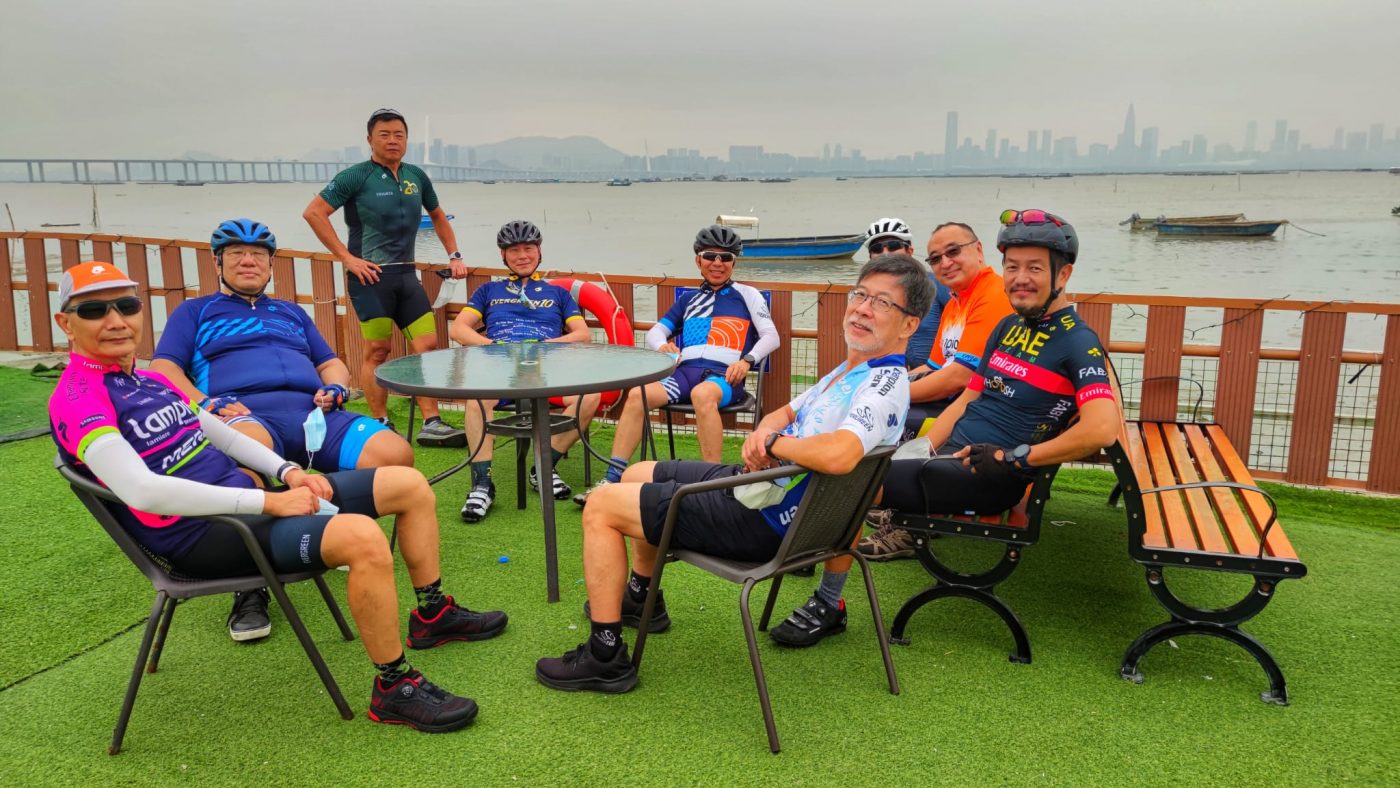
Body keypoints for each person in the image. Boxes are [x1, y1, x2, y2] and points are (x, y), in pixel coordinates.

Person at [49, 262, 507, 733]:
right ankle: (394, 687)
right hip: (200, 536)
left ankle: (432, 613)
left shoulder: (152, 380)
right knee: (363, 538)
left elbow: (224, 436)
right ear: (66, 323)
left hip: (243, 507)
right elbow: (140, 491)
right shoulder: (79, 397)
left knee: (407, 484)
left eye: (126, 305)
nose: (116, 320)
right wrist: (270, 502)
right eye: (94, 310)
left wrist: (288, 473)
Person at [533, 254, 934, 692]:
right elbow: (785, 412)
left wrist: (774, 445)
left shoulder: (881, 388)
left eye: (882, 302)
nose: (862, 309)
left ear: (908, 325)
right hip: (766, 493)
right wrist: (763, 434)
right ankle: (641, 598)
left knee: (601, 505)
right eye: (860, 295)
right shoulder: (853, 370)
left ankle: (605, 655)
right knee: (637, 474)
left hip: (764, 520)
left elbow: (840, 455)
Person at [785, 209, 1120, 647]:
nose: (1020, 279)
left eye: (1035, 269)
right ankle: (807, 548)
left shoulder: (1077, 341)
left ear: (1064, 274)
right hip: (947, 458)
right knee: (850, 461)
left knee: (848, 478)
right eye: (1012, 267)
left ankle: (827, 601)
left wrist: (1018, 458)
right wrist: (923, 446)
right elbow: (966, 399)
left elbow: (1102, 429)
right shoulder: (1008, 326)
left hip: (989, 475)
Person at [151, 218, 416, 642]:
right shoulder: (195, 311)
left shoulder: (291, 312)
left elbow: (330, 362)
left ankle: (334, 529)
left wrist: (336, 386)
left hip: (312, 413)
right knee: (248, 459)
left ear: (271, 264)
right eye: (237, 254)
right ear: (218, 263)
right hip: (246, 413)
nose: (248, 261)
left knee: (394, 454)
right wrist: (203, 402)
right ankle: (250, 585)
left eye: (258, 254)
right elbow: (163, 368)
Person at [572, 224, 780, 506]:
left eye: (726, 257)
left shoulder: (748, 294)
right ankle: (612, 478)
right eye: (710, 256)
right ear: (698, 260)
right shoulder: (688, 299)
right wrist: (663, 346)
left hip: (724, 377)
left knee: (702, 394)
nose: (717, 263)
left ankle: (712, 485)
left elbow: (771, 336)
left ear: (734, 262)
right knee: (638, 395)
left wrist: (747, 361)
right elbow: (655, 332)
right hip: (684, 374)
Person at [303, 108, 466, 448]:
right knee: (378, 351)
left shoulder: (416, 176)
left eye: (399, 135)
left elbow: (438, 216)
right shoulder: (355, 176)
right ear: (370, 140)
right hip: (370, 278)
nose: (393, 140)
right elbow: (314, 213)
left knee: (427, 347)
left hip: (407, 276)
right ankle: (380, 422)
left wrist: (454, 255)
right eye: (384, 134)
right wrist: (347, 258)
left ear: (406, 140)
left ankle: (432, 422)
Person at [858, 220, 1014, 560]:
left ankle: (912, 524)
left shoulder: (991, 295)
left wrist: (890, 396)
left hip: (976, 413)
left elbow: (957, 377)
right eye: (937, 258)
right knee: (885, 410)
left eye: (953, 252)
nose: (946, 262)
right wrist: (882, 385)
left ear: (978, 250)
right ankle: (898, 503)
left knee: (895, 420)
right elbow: (933, 366)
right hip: (960, 404)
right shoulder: (958, 300)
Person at [447, 220, 601, 522]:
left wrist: (545, 345)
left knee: (590, 397)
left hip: (547, 368)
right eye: (514, 250)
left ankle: (543, 468)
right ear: (503, 255)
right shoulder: (488, 290)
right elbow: (459, 329)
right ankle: (482, 485)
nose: (522, 256)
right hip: (500, 367)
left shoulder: (558, 294)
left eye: (528, 249)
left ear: (539, 251)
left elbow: (582, 334)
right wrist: (494, 346)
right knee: (477, 400)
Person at [866, 218, 951, 372]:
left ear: (909, 251)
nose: (885, 254)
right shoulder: (867, 297)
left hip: (938, 376)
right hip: (890, 376)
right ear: (870, 257)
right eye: (877, 249)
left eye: (893, 246)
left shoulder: (936, 284)